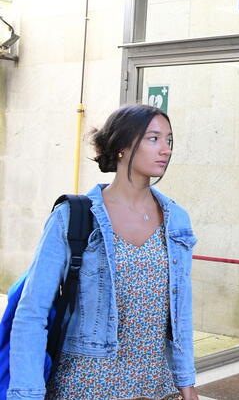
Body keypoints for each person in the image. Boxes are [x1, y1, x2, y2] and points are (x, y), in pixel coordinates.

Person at [9, 105, 198, 400]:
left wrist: (187, 384)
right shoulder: (72, 216)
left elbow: (181, 313)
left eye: (169, 140)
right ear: (122, 146)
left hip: (156, 387)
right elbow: (32, 313)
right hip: (87, 385)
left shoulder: (176, 219)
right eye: (153, 139)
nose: (166, 149)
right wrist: (27, 394)